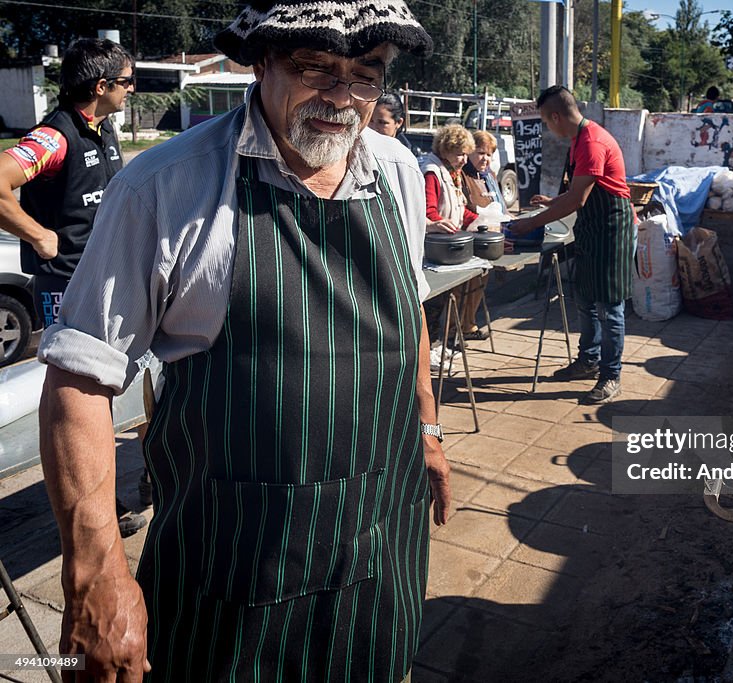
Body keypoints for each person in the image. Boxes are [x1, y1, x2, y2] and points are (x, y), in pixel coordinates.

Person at [36, 1, 452, 680]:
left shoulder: (397, 169)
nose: (341, 98)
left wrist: (428, 429)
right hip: (237, 563)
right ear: (260, 60)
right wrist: (95, 574)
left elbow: (408, 312)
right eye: (314, 67)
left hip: (382, 542)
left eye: (366, 73)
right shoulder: (166, 185)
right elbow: (80, 379)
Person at [0, 37, 147, 538]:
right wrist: (39, 234)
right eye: (128, 82)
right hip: (68, 285)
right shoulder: (55, 137)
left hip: (108, 276)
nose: (133, 90)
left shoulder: (101, 129)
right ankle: (95, 512)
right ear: (102, 86)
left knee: (139, 382)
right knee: (82, 403)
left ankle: (154, 476)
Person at [505, 85, 636, 405]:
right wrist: (553, 201)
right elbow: (580, 190)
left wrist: (530, 223)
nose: (549, 129)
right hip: (591, 229)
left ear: (555, 116)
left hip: (611, 229)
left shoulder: (592, 142)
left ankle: (610, 375)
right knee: (585, 299)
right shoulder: (579, 138)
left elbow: (579, 198)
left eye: (547, 123)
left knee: (609, 306)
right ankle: (588, 361)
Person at [420, 123, 490, 341]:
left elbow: (459, 209)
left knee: (449, 297)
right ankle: (432, 345)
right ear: (445, 149)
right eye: (460, 154)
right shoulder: (432, 173)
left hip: (449, 245)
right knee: (434, 302)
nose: (464, 160)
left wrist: (481, 221)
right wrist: (442, 224)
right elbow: (428, 210)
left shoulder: (452, 172)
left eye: (465, 155)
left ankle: (445, 340)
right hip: (435, 248)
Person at [463, 129, 507, 214]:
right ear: (469, 152)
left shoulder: (491, 176)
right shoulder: (462, 175)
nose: (485, 158)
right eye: (481, 153)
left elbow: (504, 210)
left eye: (489, 155)